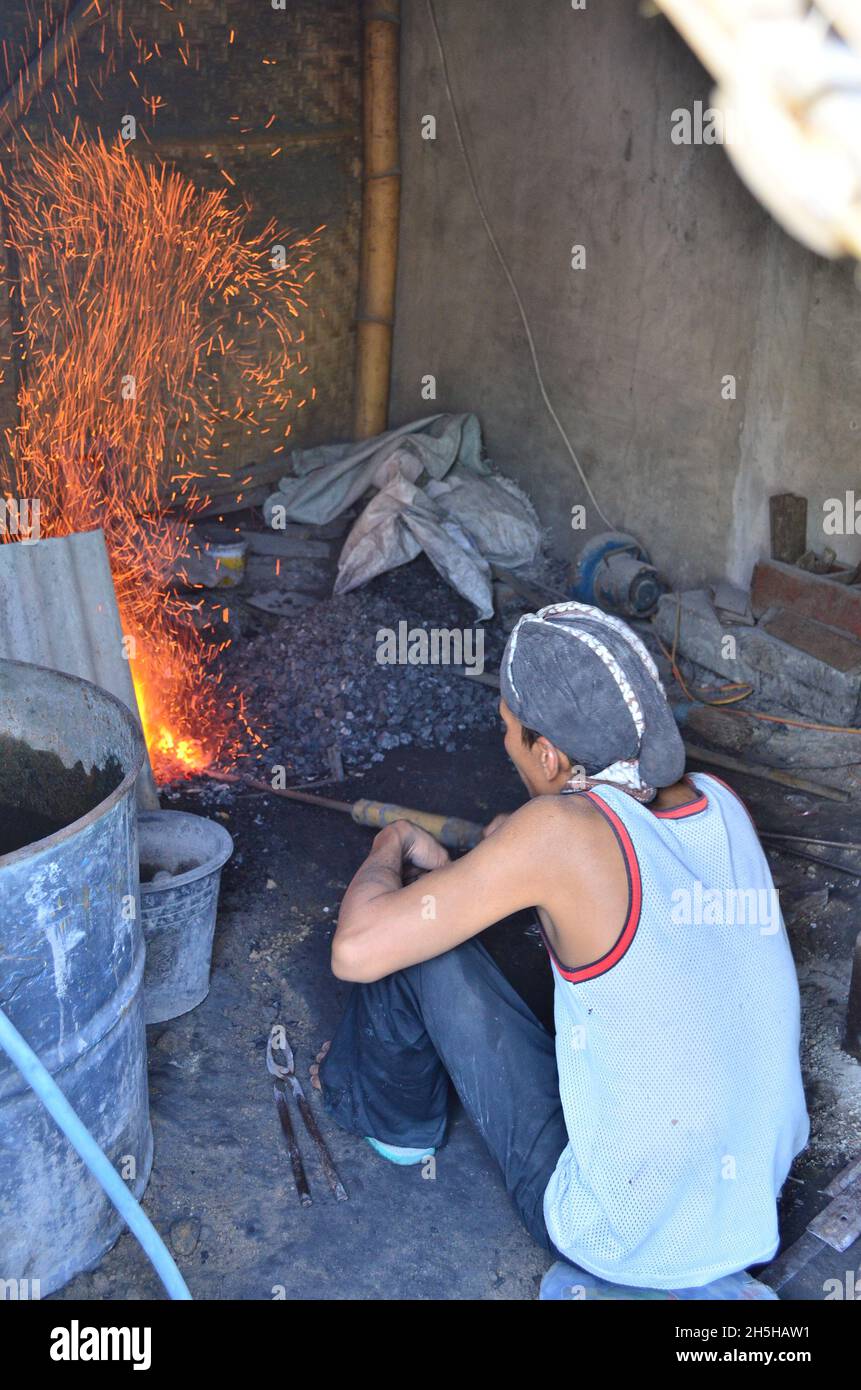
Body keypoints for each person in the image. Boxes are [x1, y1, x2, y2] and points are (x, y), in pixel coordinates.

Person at [316, 602, 809, 1294]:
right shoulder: (719, 802)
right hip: (747, 1210)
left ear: (547, 755)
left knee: (415, 948)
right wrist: (518, 846)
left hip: (628, 1237)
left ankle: (394, 1123)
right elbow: (607, 858)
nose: (509, 749)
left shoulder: (555, 834)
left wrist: (389, 842)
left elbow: (356, 950)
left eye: (510, 736)